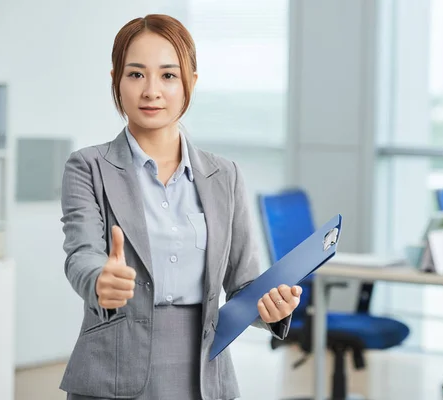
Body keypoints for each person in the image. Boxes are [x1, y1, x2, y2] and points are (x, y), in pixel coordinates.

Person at [59, 14, 302, 400]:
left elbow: (243, 283)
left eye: (168, 76)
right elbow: (81, 255)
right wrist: (99, 282)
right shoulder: (88, 167)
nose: (151, 90)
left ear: (191, 82)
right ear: (116, 81)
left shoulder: (225, 175)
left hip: (205, 373)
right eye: (136, 74)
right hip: (113, 371)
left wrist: (269, 307)